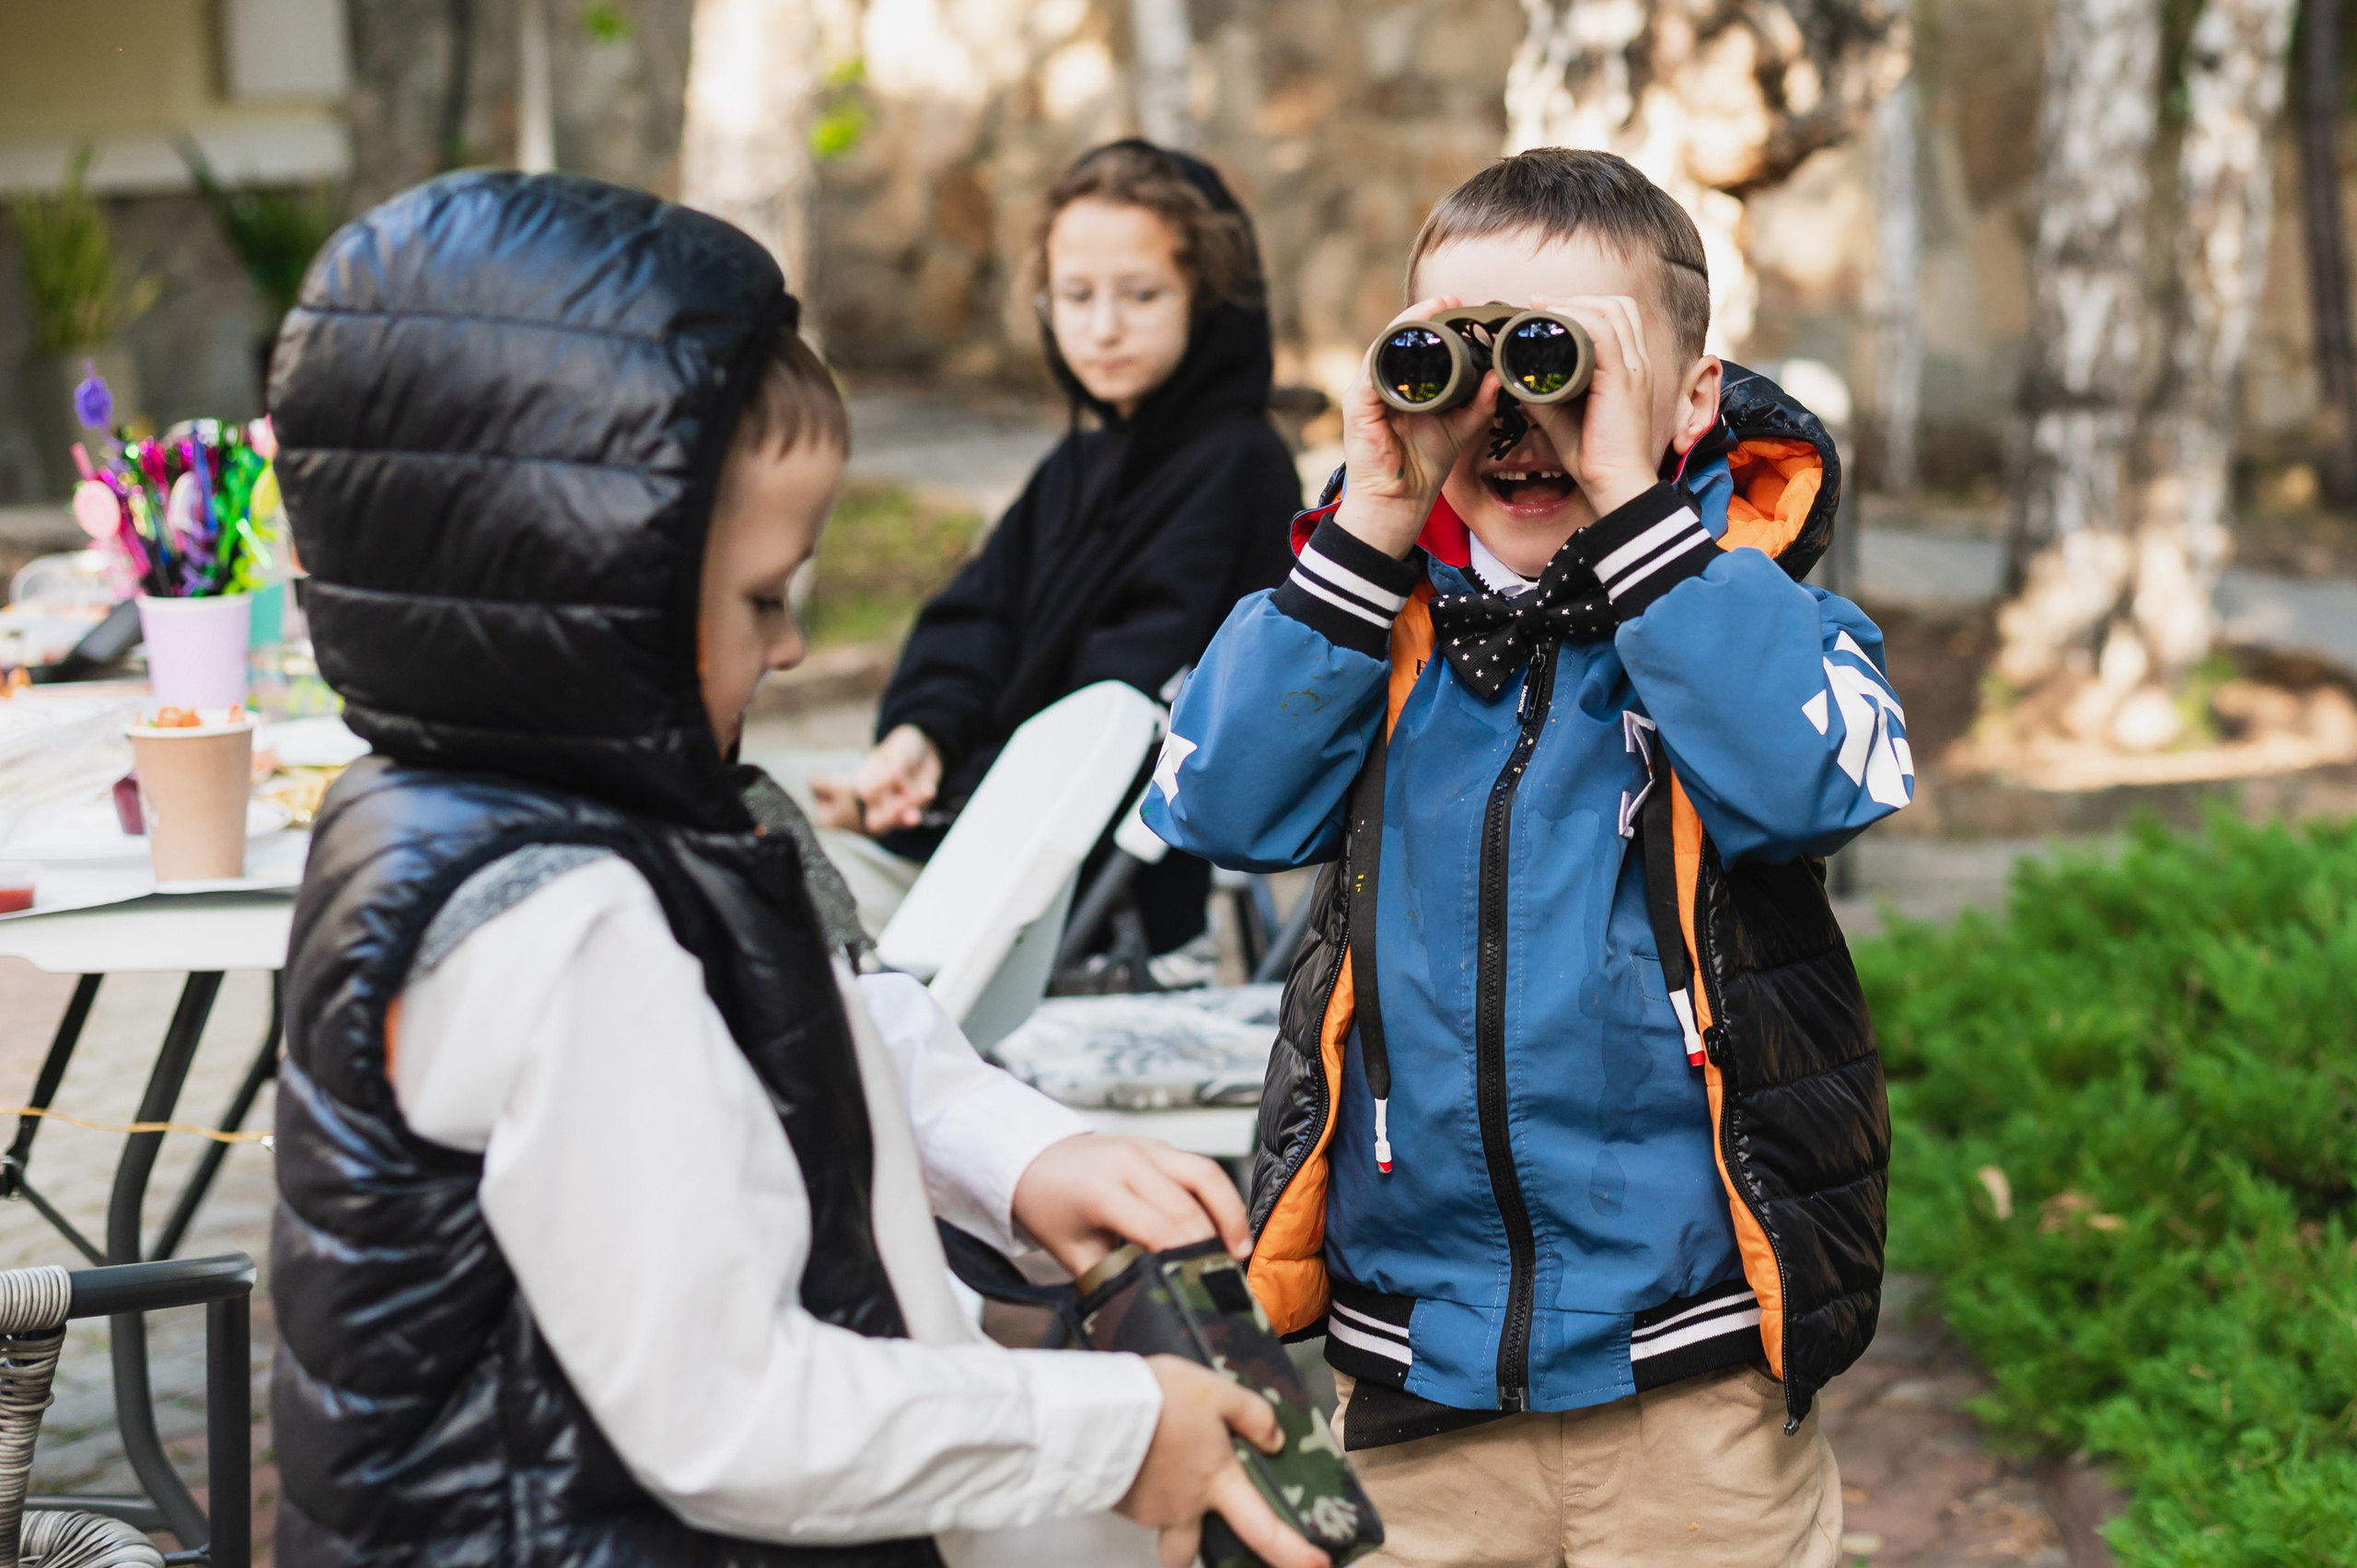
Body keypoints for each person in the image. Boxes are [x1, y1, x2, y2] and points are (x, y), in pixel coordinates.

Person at [266, 170, 1327, 1568]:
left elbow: (815, 1017)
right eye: (764, 596)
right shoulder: (559, 917)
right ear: (582, 587)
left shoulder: (603, 804)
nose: (789, 648)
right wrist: (1116, 1430)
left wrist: (1020, 1155)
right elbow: (732, 1409)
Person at [1143, 148, 1911, 1565]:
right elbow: (1213, 805)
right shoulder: (1374, 630)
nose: (1514, 411)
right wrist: (1371, 521)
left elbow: (1820, 782)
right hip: (1419, 1366)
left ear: (1691, 397)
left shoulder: (1756, 613)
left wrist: (1634, 513)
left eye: (1565, 360)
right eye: (1462, 354)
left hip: (1694, 1366)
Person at [810, 140, 1299, 953]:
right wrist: (919, 742)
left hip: (1082, 894)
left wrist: (922, 810)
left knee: (764, 885)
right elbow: (978, 618)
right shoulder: (1078, 464)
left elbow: (1114, 719)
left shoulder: (1236, 469)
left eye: (1140, 294)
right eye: (1076, 295)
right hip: (985, 830)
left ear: (1207, 298)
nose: (1103, 327)